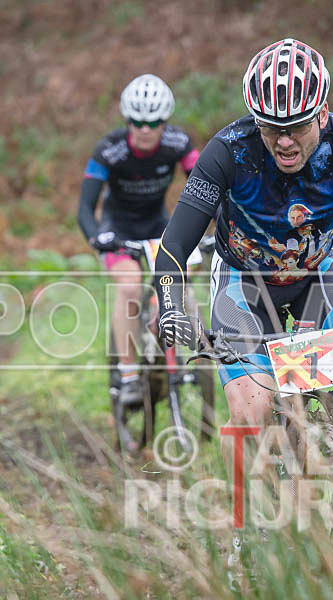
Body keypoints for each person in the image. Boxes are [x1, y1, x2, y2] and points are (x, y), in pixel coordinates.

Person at [155, 38, 333, 467]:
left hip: (317, 274)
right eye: (272, 128)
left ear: (323, 113)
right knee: (252, 411)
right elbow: (176, 242)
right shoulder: (228, 151)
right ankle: (259, 522)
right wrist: (169, 307)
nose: (285, 142)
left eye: (298, 127)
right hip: (244, 282)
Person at [77, 74, 200, 404]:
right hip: (117, 231)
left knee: (180, 283)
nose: (146, 129)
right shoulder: (109, 150)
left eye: (154, 122)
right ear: (127, 119)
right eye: (138, 122)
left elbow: (207, 187)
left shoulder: (178, 143)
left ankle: (164, 330)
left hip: (158, 227)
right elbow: (85, 209)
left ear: (166, 120)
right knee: (130, 286)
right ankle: (129, 374)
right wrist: (97, 237)